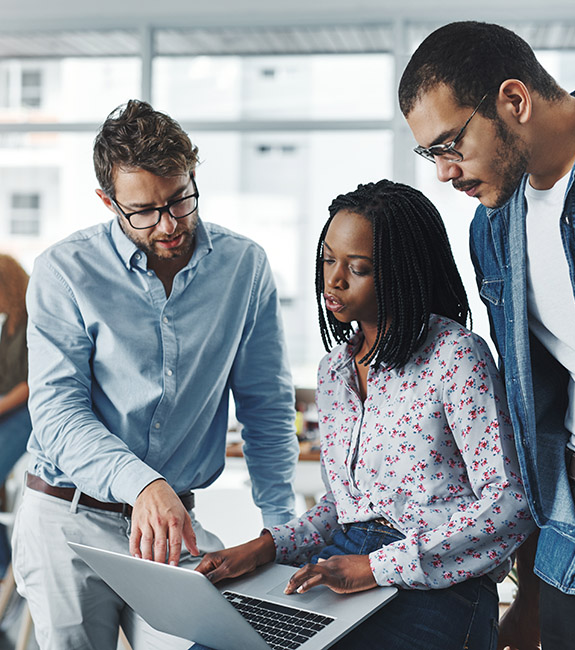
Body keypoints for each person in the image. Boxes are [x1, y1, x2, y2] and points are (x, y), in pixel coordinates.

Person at [188, 180, 533, 650]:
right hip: (344, 560)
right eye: (328, 260)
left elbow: (510, 504)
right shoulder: (335, 370)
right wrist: (264, 547)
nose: (334, 279)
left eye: (358, 268)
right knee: (215, 642)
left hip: (439, 580)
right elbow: (345, 507)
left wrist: (375, 568)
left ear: (402, 273)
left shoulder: (455, 356)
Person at [398, 19, 575, 650]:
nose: (444, 173)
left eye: (451, 145)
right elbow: (531, 406)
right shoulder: (493, 231)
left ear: (514, 99)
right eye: (430, 155)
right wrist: (533, 590)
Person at [11, 99, 299, 650]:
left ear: (193, 176)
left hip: (174, 530)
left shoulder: (244, 266)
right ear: (108, 201)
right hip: (68, 519)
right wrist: (141, 482)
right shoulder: (63, 271)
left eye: (180, 200)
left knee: (219, 643)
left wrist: (281, 526)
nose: (169, 224)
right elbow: (56, 413)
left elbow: (264, 402)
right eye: (144, 210)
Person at [0, 254, 31, 578]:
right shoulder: (6, 325)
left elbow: (28, 384)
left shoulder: (29, 320)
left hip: (25, 415)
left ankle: (4, 568)